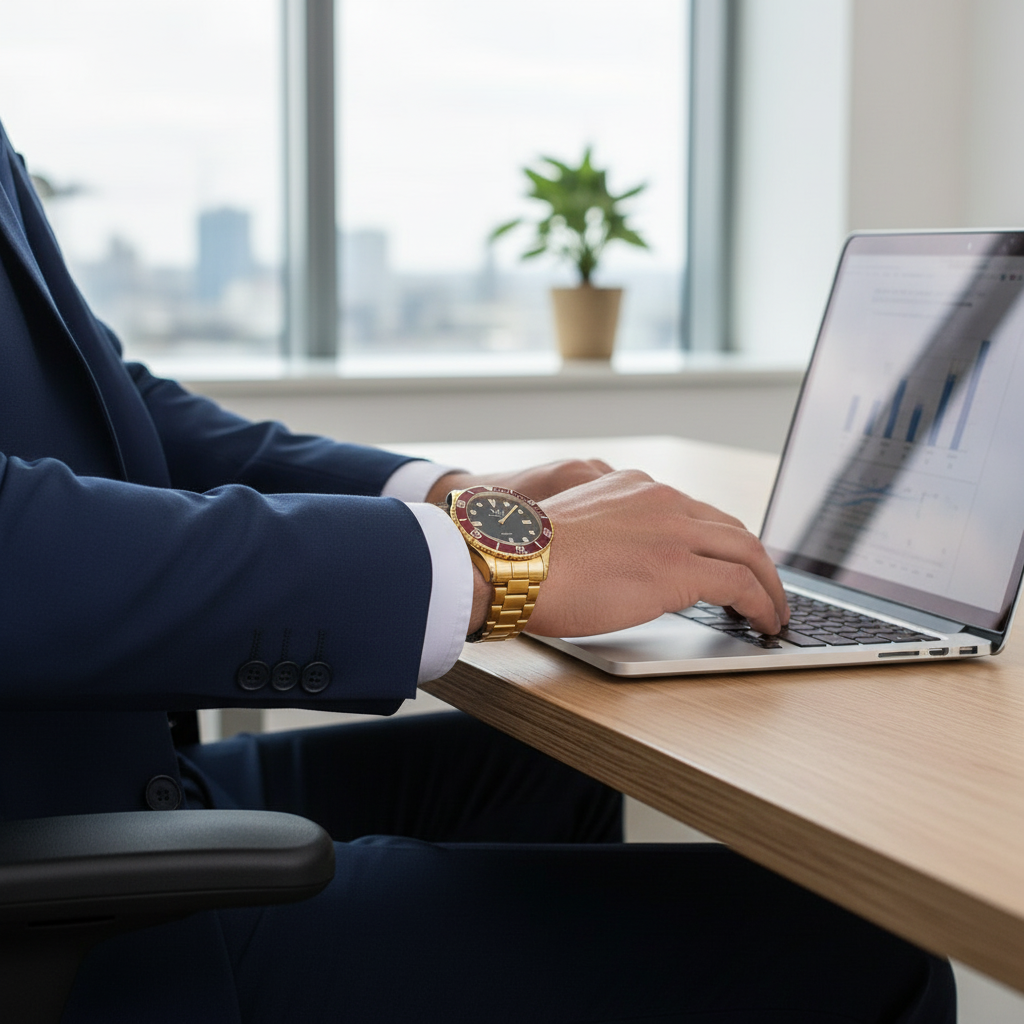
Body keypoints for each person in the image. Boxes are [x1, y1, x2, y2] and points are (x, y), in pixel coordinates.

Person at [0, 116, 955, 1022]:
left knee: (548, 772)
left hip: (93, 769)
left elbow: (115, 401)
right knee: (871, 957)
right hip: (68, 904)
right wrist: (492, 560)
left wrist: (452, 495)